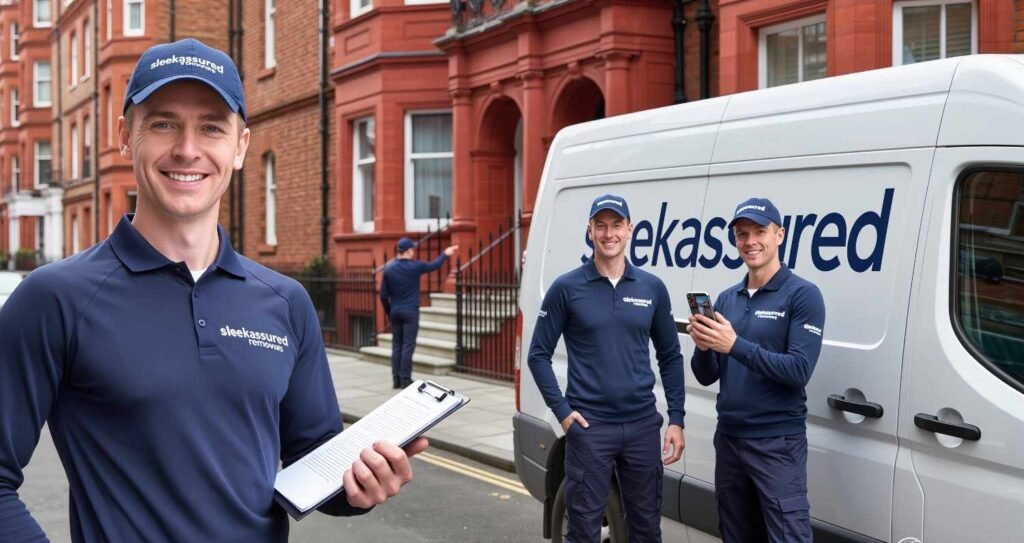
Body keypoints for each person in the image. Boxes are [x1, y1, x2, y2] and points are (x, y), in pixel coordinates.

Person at [0, 38, 426, 542]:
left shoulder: (286, 302)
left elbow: (313, 467)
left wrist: (362, 484)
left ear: (240, 146)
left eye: (211, 127)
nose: (187, 148)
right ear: (124, 135)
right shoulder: (55, 299)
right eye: (162, 123)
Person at [527, 194, 685, 543]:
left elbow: (670, 356)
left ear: (630, 230)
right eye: (601, 225)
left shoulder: (652, 288)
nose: (608, 233)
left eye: (616, 225)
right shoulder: (566, 288)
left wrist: (676, 418)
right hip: (590, 428)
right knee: (583, 531)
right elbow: (537, 355)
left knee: (646, 530)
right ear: (590, 230)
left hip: (643, 427)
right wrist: (564, 413)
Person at [688, 197, 826, 543]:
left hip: (777, 443)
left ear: (780, 234)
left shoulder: (803, 295)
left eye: (759, 232)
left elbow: (798, 370)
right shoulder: (727, 299)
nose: (750, 242)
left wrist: (734, 345)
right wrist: (704, 347)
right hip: (730, 441)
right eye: (742, 234)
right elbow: (706, 375)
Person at [380, 237, 457, 389]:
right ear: (408, 251)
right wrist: (445, 254)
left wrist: (389, 312)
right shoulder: (415, 266)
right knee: (408, 345)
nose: (414, 251)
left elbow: (383, 296)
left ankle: (396, 379)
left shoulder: (388, 269)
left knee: (397, 345)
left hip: (395, 311)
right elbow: (433, 266)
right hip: (410, 312)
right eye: (412, 249)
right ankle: (405, 380)